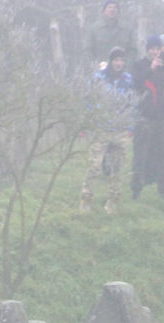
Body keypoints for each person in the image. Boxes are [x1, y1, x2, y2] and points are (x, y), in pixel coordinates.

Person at [80, 47, 134, 215]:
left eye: (121, 60)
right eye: (116, 60)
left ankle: (112, 203)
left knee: (117, 169)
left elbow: (133, 102)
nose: (118, 63)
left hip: (121, 130)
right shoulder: (99, 78)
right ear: (110, 61)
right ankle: (86, 201)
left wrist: (130, 126)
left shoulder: (128, 80)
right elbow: (89, 99)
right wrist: (89, 121)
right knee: (94, 166)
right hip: (101, 128)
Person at [130, 35, 164, 199]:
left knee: (161, 155)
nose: (155, 52)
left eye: (157, 49)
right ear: (147, 49)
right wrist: (151, 68)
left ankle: (161, 190)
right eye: (152, 48)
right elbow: (134, 83)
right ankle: (136, 190)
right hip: (143, 118)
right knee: (140, 155)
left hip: (161, 118)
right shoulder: (139, 65)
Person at [85, 1, 135, 69]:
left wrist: (126, 64)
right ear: (104, 11)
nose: (112, 10)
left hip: (122, 71)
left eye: (115, 7)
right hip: (100, 70)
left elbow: (133, 49)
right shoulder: (94, 29)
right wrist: (94, 64)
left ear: (118, 11)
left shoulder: (127, 29)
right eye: (109, 7)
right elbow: (88, 49)